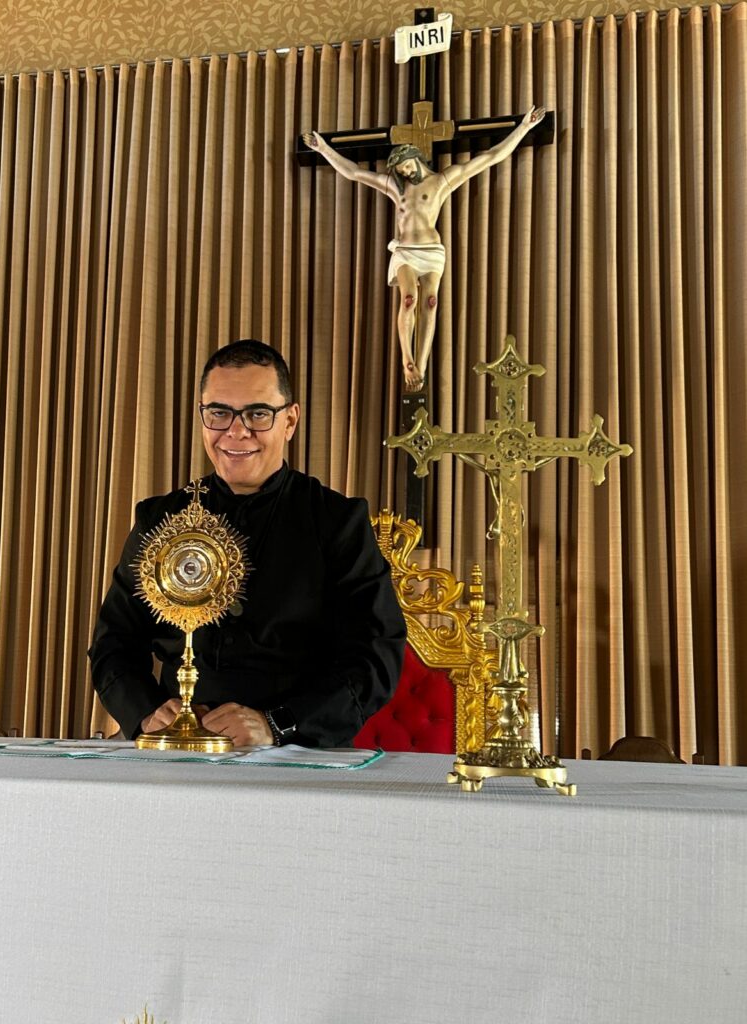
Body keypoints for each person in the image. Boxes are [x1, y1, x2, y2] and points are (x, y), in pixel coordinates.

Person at [88, 340, 406, 748]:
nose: (236, 431)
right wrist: (147, 712)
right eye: (219, 412)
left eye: (258, 413)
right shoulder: (159, 518)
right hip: (172, 749)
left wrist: (278, 725)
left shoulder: (338, 523)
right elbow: (112, 642)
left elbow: (375, 657)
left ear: (290, 421)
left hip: (296, 751)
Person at [303, 105, 546, 391]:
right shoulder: (397, 188)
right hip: (405, 250)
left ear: (415, 158)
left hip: (432, 252)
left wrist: (524, 127)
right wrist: (323, 149)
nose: (404, 173)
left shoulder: (442, 181)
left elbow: (489, 158)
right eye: (400, 170)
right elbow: (354, 173)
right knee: (409, 299)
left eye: (405, 166)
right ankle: (407, 359)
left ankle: (422, 362)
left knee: (430, 303)